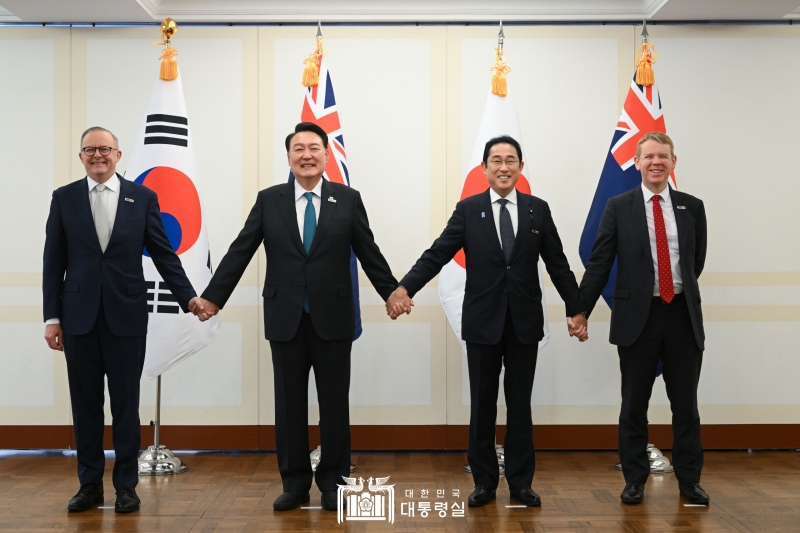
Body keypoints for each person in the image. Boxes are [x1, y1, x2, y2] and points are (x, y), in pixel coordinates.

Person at [194, 122, 398, 511]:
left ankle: (335, 484)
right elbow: (241, 250)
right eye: (298, 149)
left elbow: (368, 252)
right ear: (288, 157)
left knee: (335, 405)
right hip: (286, 316)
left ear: (326, 155)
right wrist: (213, 298)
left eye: (314, 148)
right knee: (288, 406)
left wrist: (392, 292)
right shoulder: (269, 200)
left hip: (333, 318)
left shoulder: (348, 199)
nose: (307, 155)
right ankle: (294, 483)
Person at [386, 135, 587, 508]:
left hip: (524, 323)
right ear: (484, 168)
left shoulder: (537, 210)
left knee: (520, 405)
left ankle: (521, 483)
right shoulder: (468, 210)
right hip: (481, 324)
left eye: (511, 160)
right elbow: (437, 254)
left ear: (521, 168)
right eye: (496, 160)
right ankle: (483, 482)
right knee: (483, 406)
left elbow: (557, 263)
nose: (504, 167)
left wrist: (576, 310)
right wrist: (404, 288)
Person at [43, 127, 204, 513]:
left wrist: (190, 298)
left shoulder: (142, 197)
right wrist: (52, 317)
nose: (97, 155)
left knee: (126, 407)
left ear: (117, 154)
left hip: (126, 318)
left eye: (104, 149)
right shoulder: (64, 198)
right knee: (85, 407)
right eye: (89, 150)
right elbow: (54, 262)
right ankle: (89, 486)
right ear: (80, 156)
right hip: (78, 319)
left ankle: (126, 487)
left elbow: (164, 254)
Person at [579, 132, 708, 505]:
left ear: (673, 162)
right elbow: (600, 261)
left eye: (663, 156)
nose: (656, 162)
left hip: (683, 316)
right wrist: (581, 309)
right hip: (638, 317)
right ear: (636, 163)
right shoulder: (619, 206)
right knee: (634, 404)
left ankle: (689, 482)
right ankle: (635, 479)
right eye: (649, 156)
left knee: (686, 405)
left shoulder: (691, 206)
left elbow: (694, 262)